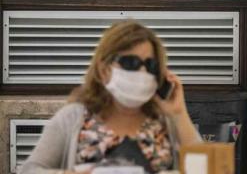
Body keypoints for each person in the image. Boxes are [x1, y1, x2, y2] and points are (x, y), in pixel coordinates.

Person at [21, 21, 201, 173]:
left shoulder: (165, 121)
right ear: (104, 69)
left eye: (150, 65)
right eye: (130, 63)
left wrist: (179, 114)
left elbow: (206, 168)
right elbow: (30, 170)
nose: (142, 71)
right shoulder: (72, 118)